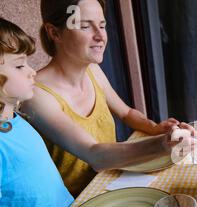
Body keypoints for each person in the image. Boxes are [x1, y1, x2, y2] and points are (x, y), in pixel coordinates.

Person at [0, 18, 191, 207]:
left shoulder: (14, 119)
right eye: (19, 65)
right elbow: (92, 153)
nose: (31, 72)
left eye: (103, 24)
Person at [22, 0, 183, 196]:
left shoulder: (92, 70)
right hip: (77, 202)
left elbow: (126, 113)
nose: (100, 36)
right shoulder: (35, 95)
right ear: (54, 33)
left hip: (112, 180)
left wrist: (154, 127)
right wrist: (163, 144)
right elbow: (94, 154)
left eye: (102, 25)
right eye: (84, 26)